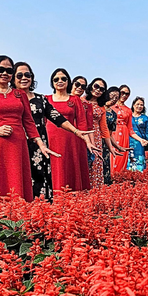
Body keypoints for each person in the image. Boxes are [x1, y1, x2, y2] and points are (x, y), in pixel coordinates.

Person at [0, 56, 57, 208]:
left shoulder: (20, 95)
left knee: (16, 178)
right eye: (1, 69)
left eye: (9, 70)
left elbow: (28, 122)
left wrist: (40, 144)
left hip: (18, 144)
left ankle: (18, 217)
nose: (5, 73)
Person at [12, 61, 92, 201]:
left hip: (39, 145)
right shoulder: (10, 98)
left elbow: (57, 117)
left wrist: (76, 131)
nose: (24, 78)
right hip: (17, 143)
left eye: (27, 75)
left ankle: (41, 211)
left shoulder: (41, 99)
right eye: (19, 75)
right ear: (13, 78)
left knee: (39, 178)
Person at [46, 68, 93, 192]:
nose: (60, 81)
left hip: (72, 140)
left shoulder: (75, 100)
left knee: (70, 167)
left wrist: (87, 142)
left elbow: (82, 122)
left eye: (63, 79)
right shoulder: (46, 99)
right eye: (56, 79)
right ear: (52, 82)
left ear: (68, 82)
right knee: (54, 167)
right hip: (51, 139)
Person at [82, 78, 125, 187]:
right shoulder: (81, 100)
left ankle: (94, 192)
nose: (98, 90)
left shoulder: (101, 107)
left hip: (96, 137)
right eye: (96, 86)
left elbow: (104, 129)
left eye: (101, 89)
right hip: (81, 134)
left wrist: (111, 148)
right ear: (91, 86)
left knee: (95, 164)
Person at [111, 85, 146, 174]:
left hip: (124, 137)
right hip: (112, 134)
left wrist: (141, 139)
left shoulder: (128, 110)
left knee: (121, 159)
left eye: (127, 94)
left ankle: (118, 181)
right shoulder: (110, 106)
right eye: (122, 92)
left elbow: (130, 130)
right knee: (111, 158)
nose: (124, 95)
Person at [128, 97, 148, 172]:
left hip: (140, 144)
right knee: (129, 161)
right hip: (128, 143)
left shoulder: (145, 118)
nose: (139, 106)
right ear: (133, 105)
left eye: (141, 105)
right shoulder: (128, 116)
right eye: (137, 104)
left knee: (139, 162)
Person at [103, 87, 121, 185]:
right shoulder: (97, 107)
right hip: (92, 139)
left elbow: (109, 134)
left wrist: (117, 147)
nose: (114, 99)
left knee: (104, 167)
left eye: (116, 97)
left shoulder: (113, 114)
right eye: (112, 95)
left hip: (105, 143)